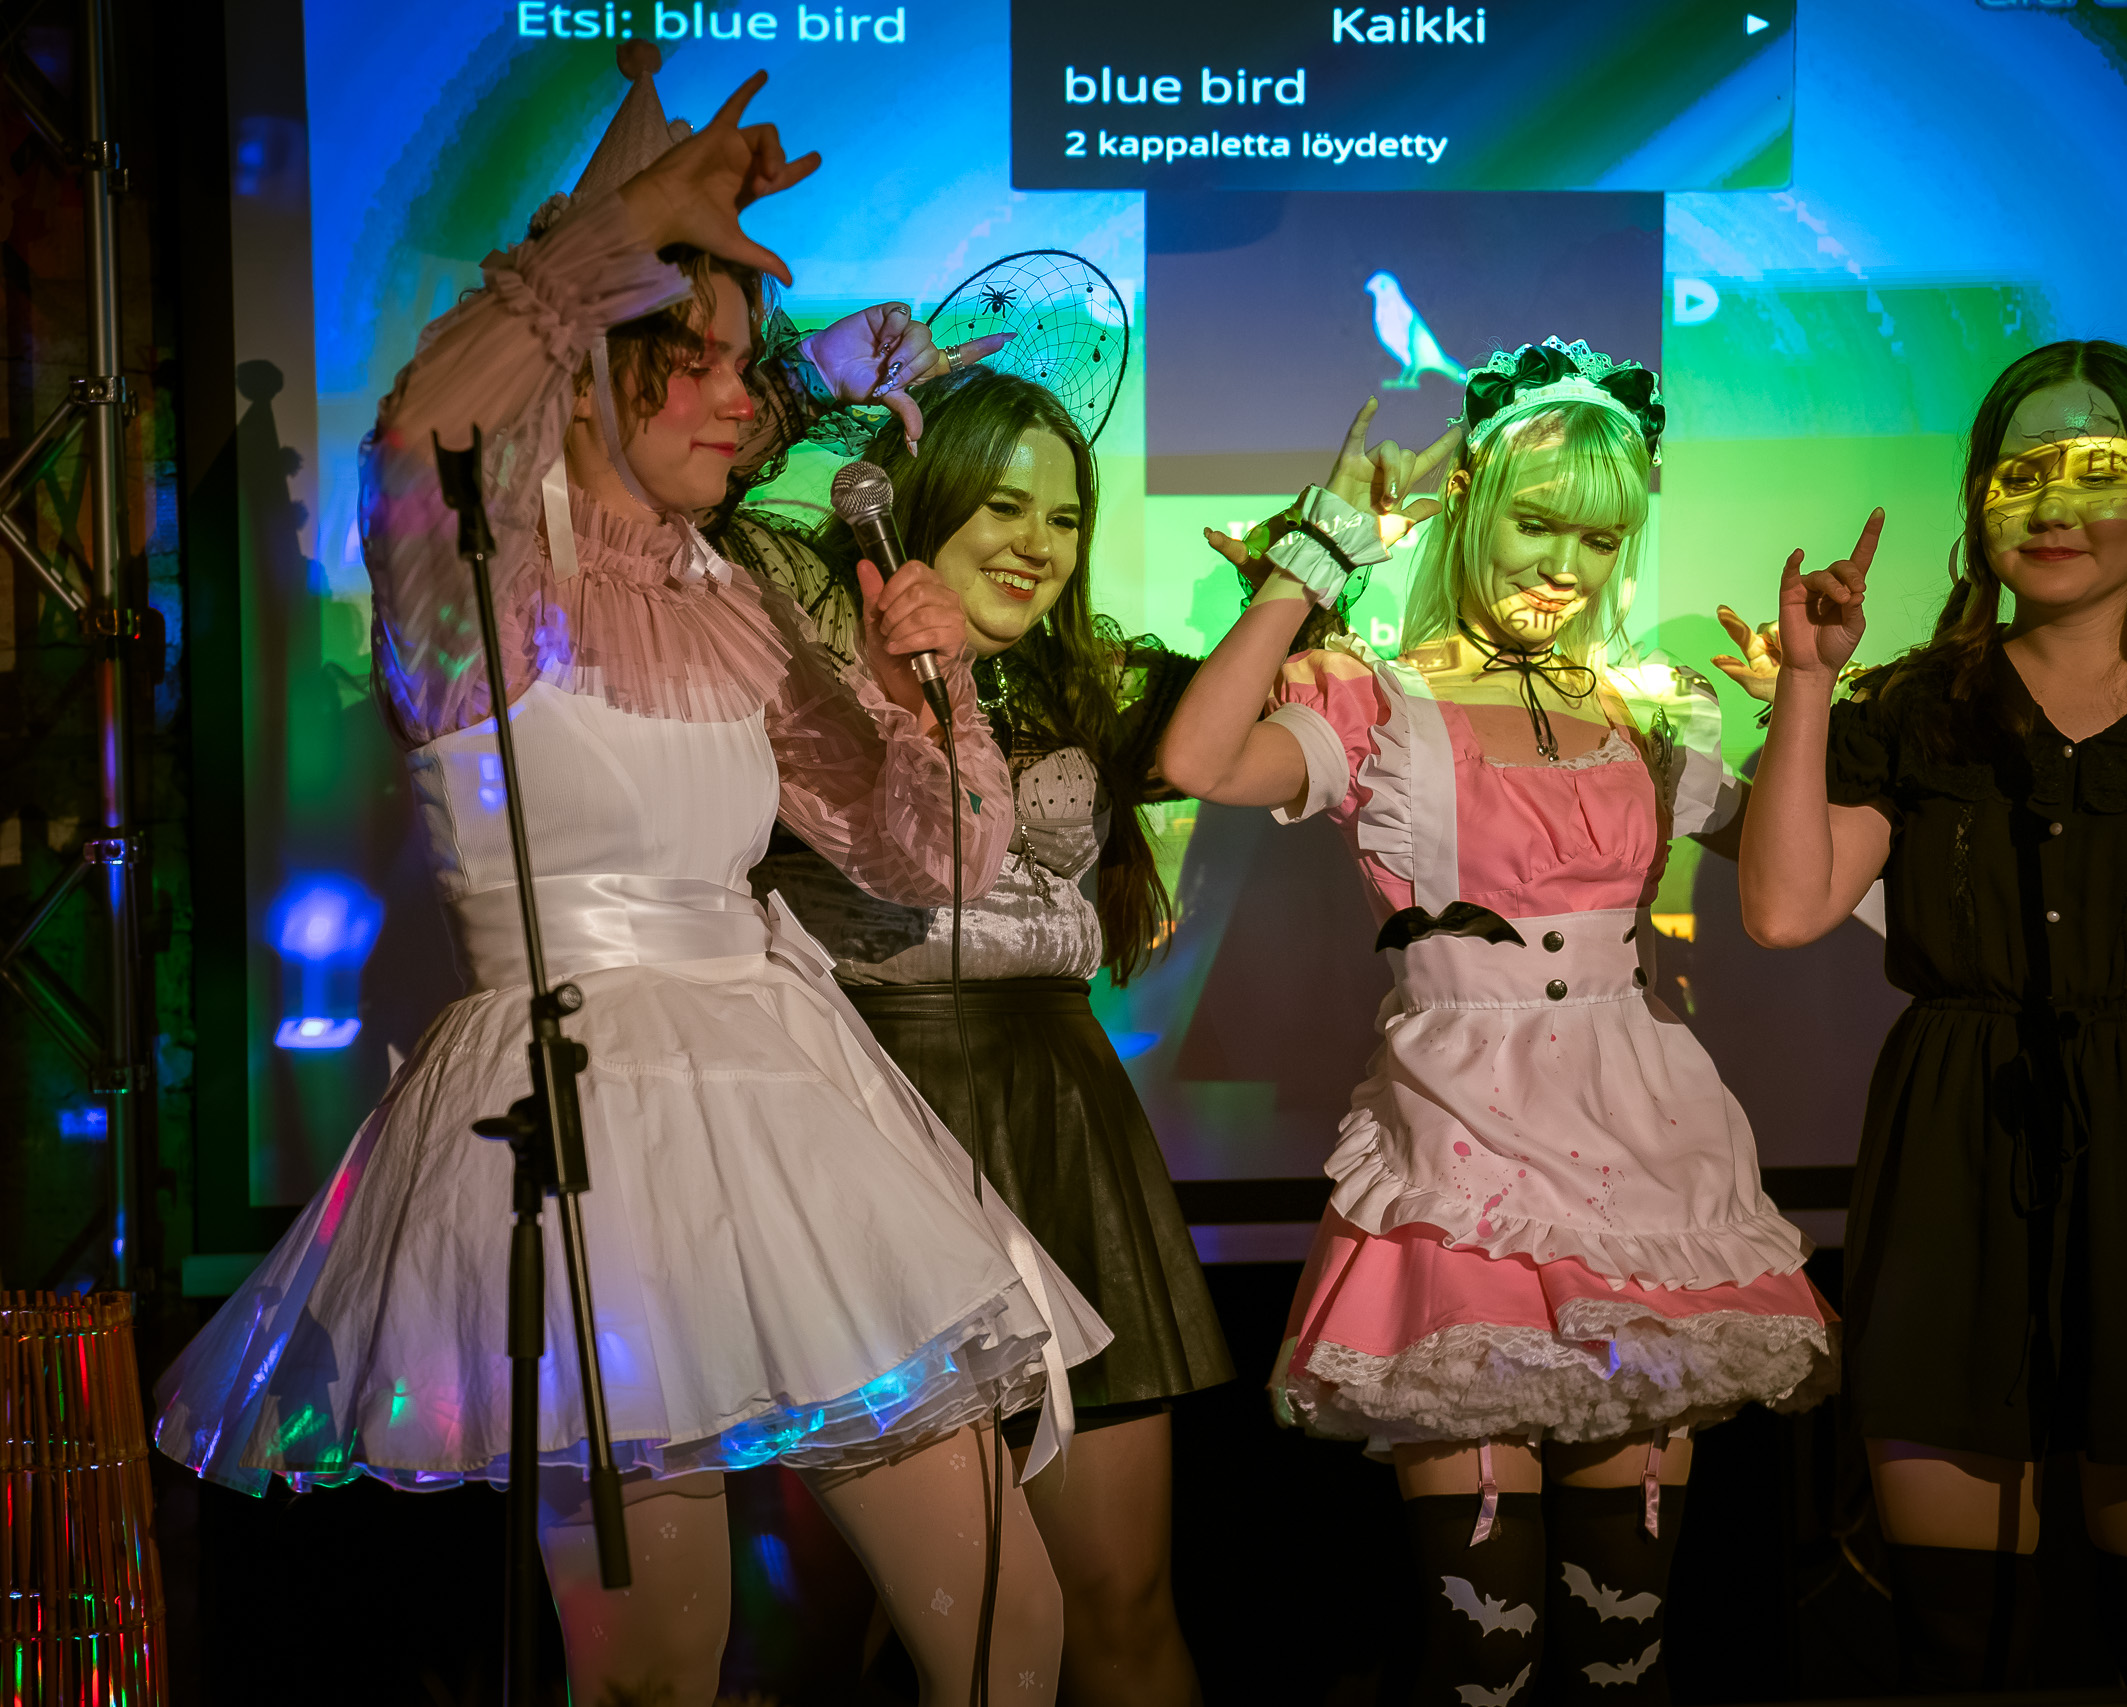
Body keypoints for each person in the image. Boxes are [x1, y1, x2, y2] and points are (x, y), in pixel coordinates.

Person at [152, 56, 1111, 1707]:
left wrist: (926, 694)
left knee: (1007, 1624)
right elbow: (429, 424)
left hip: (788, 1115)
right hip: (587, 1132)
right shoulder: (480, 567)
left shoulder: (731, 599)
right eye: (700, 366)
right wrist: (620, 227)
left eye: (750, 368)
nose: (746, 403)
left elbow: (928, 861)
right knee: (657, 1665)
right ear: (594, 372)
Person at [1158, 341, 1837, 1707]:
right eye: (1538, 522)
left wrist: (1811, 694)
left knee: (1624, 1642)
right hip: (1460, 1163)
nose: (1565, 567)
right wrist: (1315, 556)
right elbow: (1196, 760)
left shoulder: (1658, 706)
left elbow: (1790, 890)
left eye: (1601, 538)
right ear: (1467, 502)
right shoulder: (1379, 699)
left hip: (1640, 1154)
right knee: (1486, 1648)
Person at [1737, 339, 2127, 1687]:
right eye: (2021, 473)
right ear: (1977, 496)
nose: (2056, 508)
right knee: (1955, 1635)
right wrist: (1806, 682)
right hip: (1958, 1156)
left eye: (2095, 468)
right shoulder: (1917, 709)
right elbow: (1786, 909)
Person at [715, 365, 1234, 1707]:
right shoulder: (803, 645)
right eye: (1004, 506)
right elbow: (701, 517)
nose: (1038, 545)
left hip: (1059, 1122)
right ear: (922, 500)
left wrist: (1312, 560)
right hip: (856, 1112)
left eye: (1065, 519)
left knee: (1120, 1603)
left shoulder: (1089, 680)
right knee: (814, 1630)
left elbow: (1224, 733)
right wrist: (808, 388)